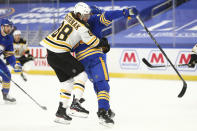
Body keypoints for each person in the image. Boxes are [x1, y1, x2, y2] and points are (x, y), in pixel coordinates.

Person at [40, 2, 108, 124]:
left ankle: (61, 113)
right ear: (78, 14)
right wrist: (103, 42)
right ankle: (75, 104)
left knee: (67, 82)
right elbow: (92, 42)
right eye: (85, 15)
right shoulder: (82, 28)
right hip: (60, 51)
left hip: (50, 53)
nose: (87, 18)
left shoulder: (69, 15)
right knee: (82, 75)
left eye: (88, 15)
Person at [70, 5, 139, 126]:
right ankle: (103, 112)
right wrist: (126, 12)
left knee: (98, 85)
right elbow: (108, 15)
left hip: (81, 60)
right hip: (95, 57)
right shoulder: (94, 19)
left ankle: (105, 107)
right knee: (102, 85)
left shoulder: (72, 25)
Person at [0, 19, 22, 103]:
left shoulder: (9, 39)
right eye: (7, 26)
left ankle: (5, 95)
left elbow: (9, 55)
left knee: (7, 75)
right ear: (2, 27)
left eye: (10, 26)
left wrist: (14, 64)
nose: (9, 28)